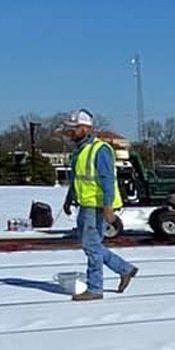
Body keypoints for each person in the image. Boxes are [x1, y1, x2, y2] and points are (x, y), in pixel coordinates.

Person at [60, 109, 138, 299]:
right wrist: (69, 198)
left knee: (91, 246)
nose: (70, 132)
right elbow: (78, 178)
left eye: (74, 128)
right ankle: (124, 269)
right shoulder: (80, 151)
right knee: (91, 245)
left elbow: (107, 180)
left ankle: (95, 288)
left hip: (97, 205)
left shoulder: (100, 149)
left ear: (85, 128)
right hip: (85, 203)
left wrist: (108, 207)